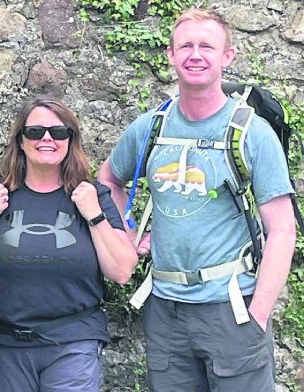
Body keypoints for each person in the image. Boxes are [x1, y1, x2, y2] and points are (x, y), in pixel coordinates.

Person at [98, 8, 296, 391]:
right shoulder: (150, 127)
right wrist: (129, 229)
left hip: (232, 308)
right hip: (165, 309)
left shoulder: (251, 133)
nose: (196, 54)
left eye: (207, 45)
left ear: (227, 56)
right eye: (186, 45)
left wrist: (259, 314)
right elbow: (108, 180)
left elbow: (282, 230)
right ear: (171, 55)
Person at [0, 96, 138, 391]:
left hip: (73, 340)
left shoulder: (91, 194)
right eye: (35, 131)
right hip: (6, 341)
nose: (46, 139)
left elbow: (121, 271)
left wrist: (93, 213)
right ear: (20, 140)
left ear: (70, 140)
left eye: (58, 132)